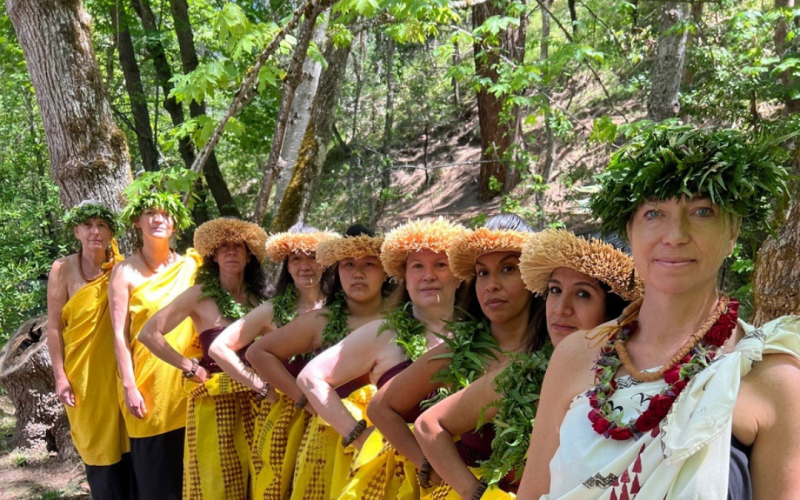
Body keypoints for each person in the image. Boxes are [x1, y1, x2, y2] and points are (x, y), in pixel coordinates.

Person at [517, 125, 800, 499]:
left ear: (733, 232)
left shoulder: (772, 377)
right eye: (654, 212)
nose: (675, 235)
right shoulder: (575, 355)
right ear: (630, 231)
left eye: (703, 210)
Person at [415, 228, 640, 499]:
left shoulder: (644, 381)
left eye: (582, 294)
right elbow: (429, 426)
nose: (561, 308)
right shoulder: (525, 375)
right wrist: (477, 494)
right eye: (555, 290)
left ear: (616, 307)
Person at [365, 214, 534, 498]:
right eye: (482, 273)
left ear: (532, 276)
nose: (491, 284)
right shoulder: (459, 349)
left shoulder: (558, 351)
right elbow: (380, 408)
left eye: (507, 269)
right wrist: (440, 471)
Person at [298, 217, 465, 500]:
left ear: (459, 275)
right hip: (394, 478)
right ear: (403, 276)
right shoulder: (382, 333)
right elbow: (310, 377)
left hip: (462, 478)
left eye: (440, 264)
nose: (429, 275)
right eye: (417, 266)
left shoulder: (479, 334)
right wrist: (356, 434)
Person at [246, 224, 390, 500]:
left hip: (391, 440)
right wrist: (306, 400)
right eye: (349, 264)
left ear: (386, 271)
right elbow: (258, 353)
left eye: (369, 264)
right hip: (330, 439)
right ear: (337, 270)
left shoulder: (406, 320)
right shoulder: (320, 321)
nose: (358, 273)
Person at [138, 218, 270, 500]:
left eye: (238, 247)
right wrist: (188, 365)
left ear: (249, 256)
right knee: (217, 482)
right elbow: (149, 333)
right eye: (224, 247)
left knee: (261, 479)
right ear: (213, 255)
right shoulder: (200, 295)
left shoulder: (261, 299)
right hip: (215, 402)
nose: (231, 252)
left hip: (260, 399)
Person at [211, 223, 337, 500]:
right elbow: (218, 348)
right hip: (288, 416)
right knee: (281, 488)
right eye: (296, 259)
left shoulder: (341, 307)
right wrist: (261, 386)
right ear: (287, 267)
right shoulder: (270, 310)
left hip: (335, 414)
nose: (305, 266)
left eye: (312, 256)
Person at [108, 189, 197, 499]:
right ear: (137, 221)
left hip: (190, 387)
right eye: (150, 213)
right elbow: (118, 333)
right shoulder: (124, 271)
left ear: (175, 224)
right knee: (156, 483)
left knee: (194, 481)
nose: (158, 219)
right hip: (148, 389)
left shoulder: (190, 266)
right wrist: (129, 386)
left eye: (165, 213)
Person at [45, 201, 134, 500]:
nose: (95, 231)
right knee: (98, 449)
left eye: (102, 225)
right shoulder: (62, 268)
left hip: (123, 372)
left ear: (111, 232)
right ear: (76, 230)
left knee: (133, 449)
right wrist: (60, 376)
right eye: (88, 225)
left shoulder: (123, 267)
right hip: (84, 377)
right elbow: (55, 327)